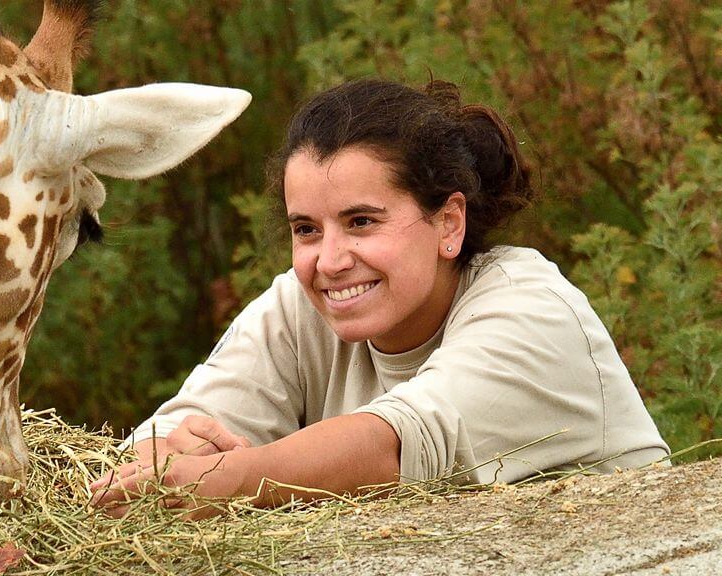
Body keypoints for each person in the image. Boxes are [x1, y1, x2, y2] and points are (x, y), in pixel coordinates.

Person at [88, 78, 670, 516]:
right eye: (306, 229)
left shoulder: (531, 308)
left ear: (448, 224)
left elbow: (394, 447)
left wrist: (224, 479)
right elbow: (157, 443)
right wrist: (171, 450)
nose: (330, 260)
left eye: (362, 221)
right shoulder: (297, 308)